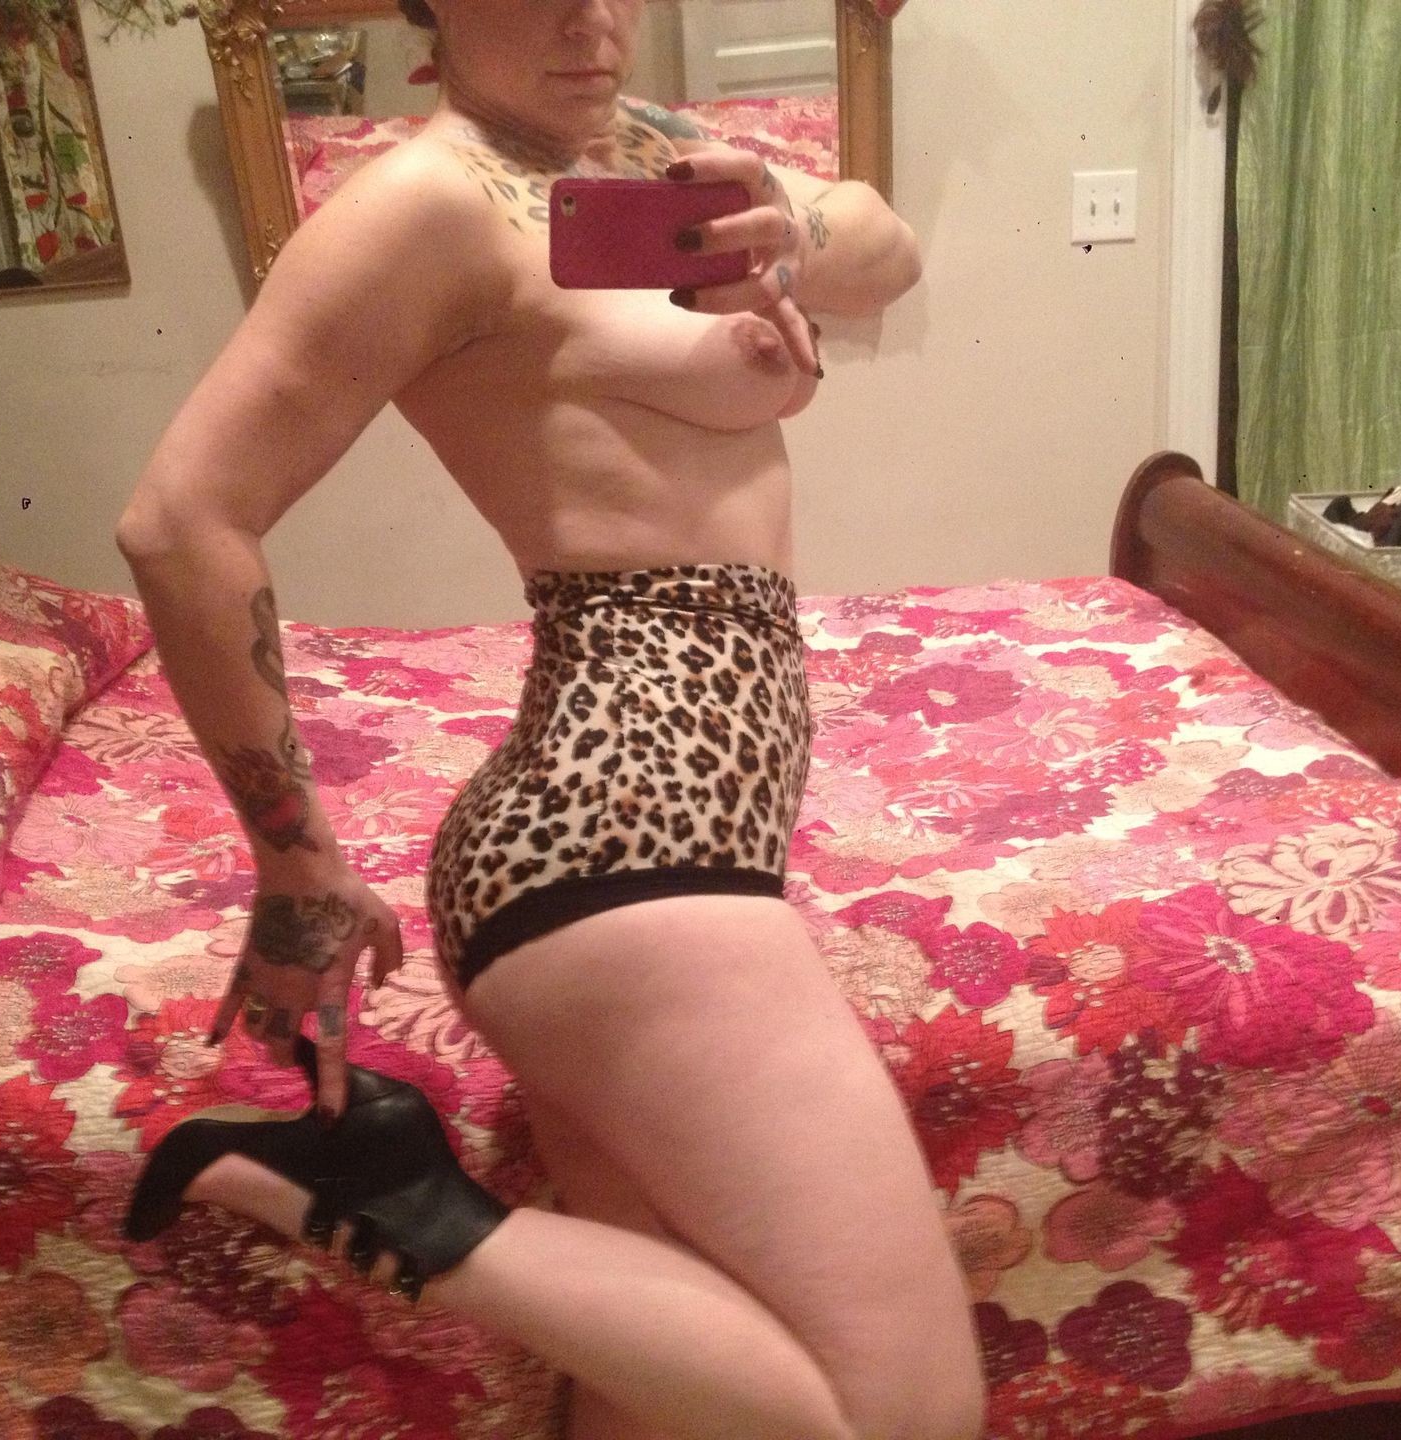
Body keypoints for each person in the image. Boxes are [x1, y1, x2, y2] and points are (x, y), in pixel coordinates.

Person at [113, 3, 985, 1438]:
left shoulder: (648, 156)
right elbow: (180, 522)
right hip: (621, 825)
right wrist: (296, 865)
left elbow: (885, 245)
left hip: (680, 827)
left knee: (655, 1399)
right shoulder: (422, 206)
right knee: (906, 1416)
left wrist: (787, 229)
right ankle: (377, 1197)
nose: (592, 16)